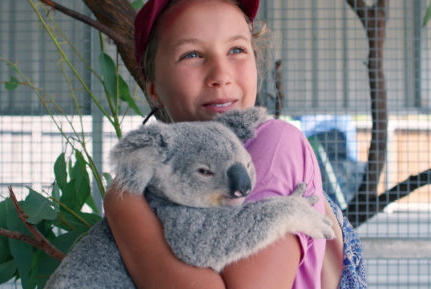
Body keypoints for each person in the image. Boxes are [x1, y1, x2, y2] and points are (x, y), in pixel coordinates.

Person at [104, 0, 365, 288]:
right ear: (151, 86)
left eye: (237, 50)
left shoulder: (275, 142)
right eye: (191, 54)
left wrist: (125, 213)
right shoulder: (157, 174)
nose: (220, 75)